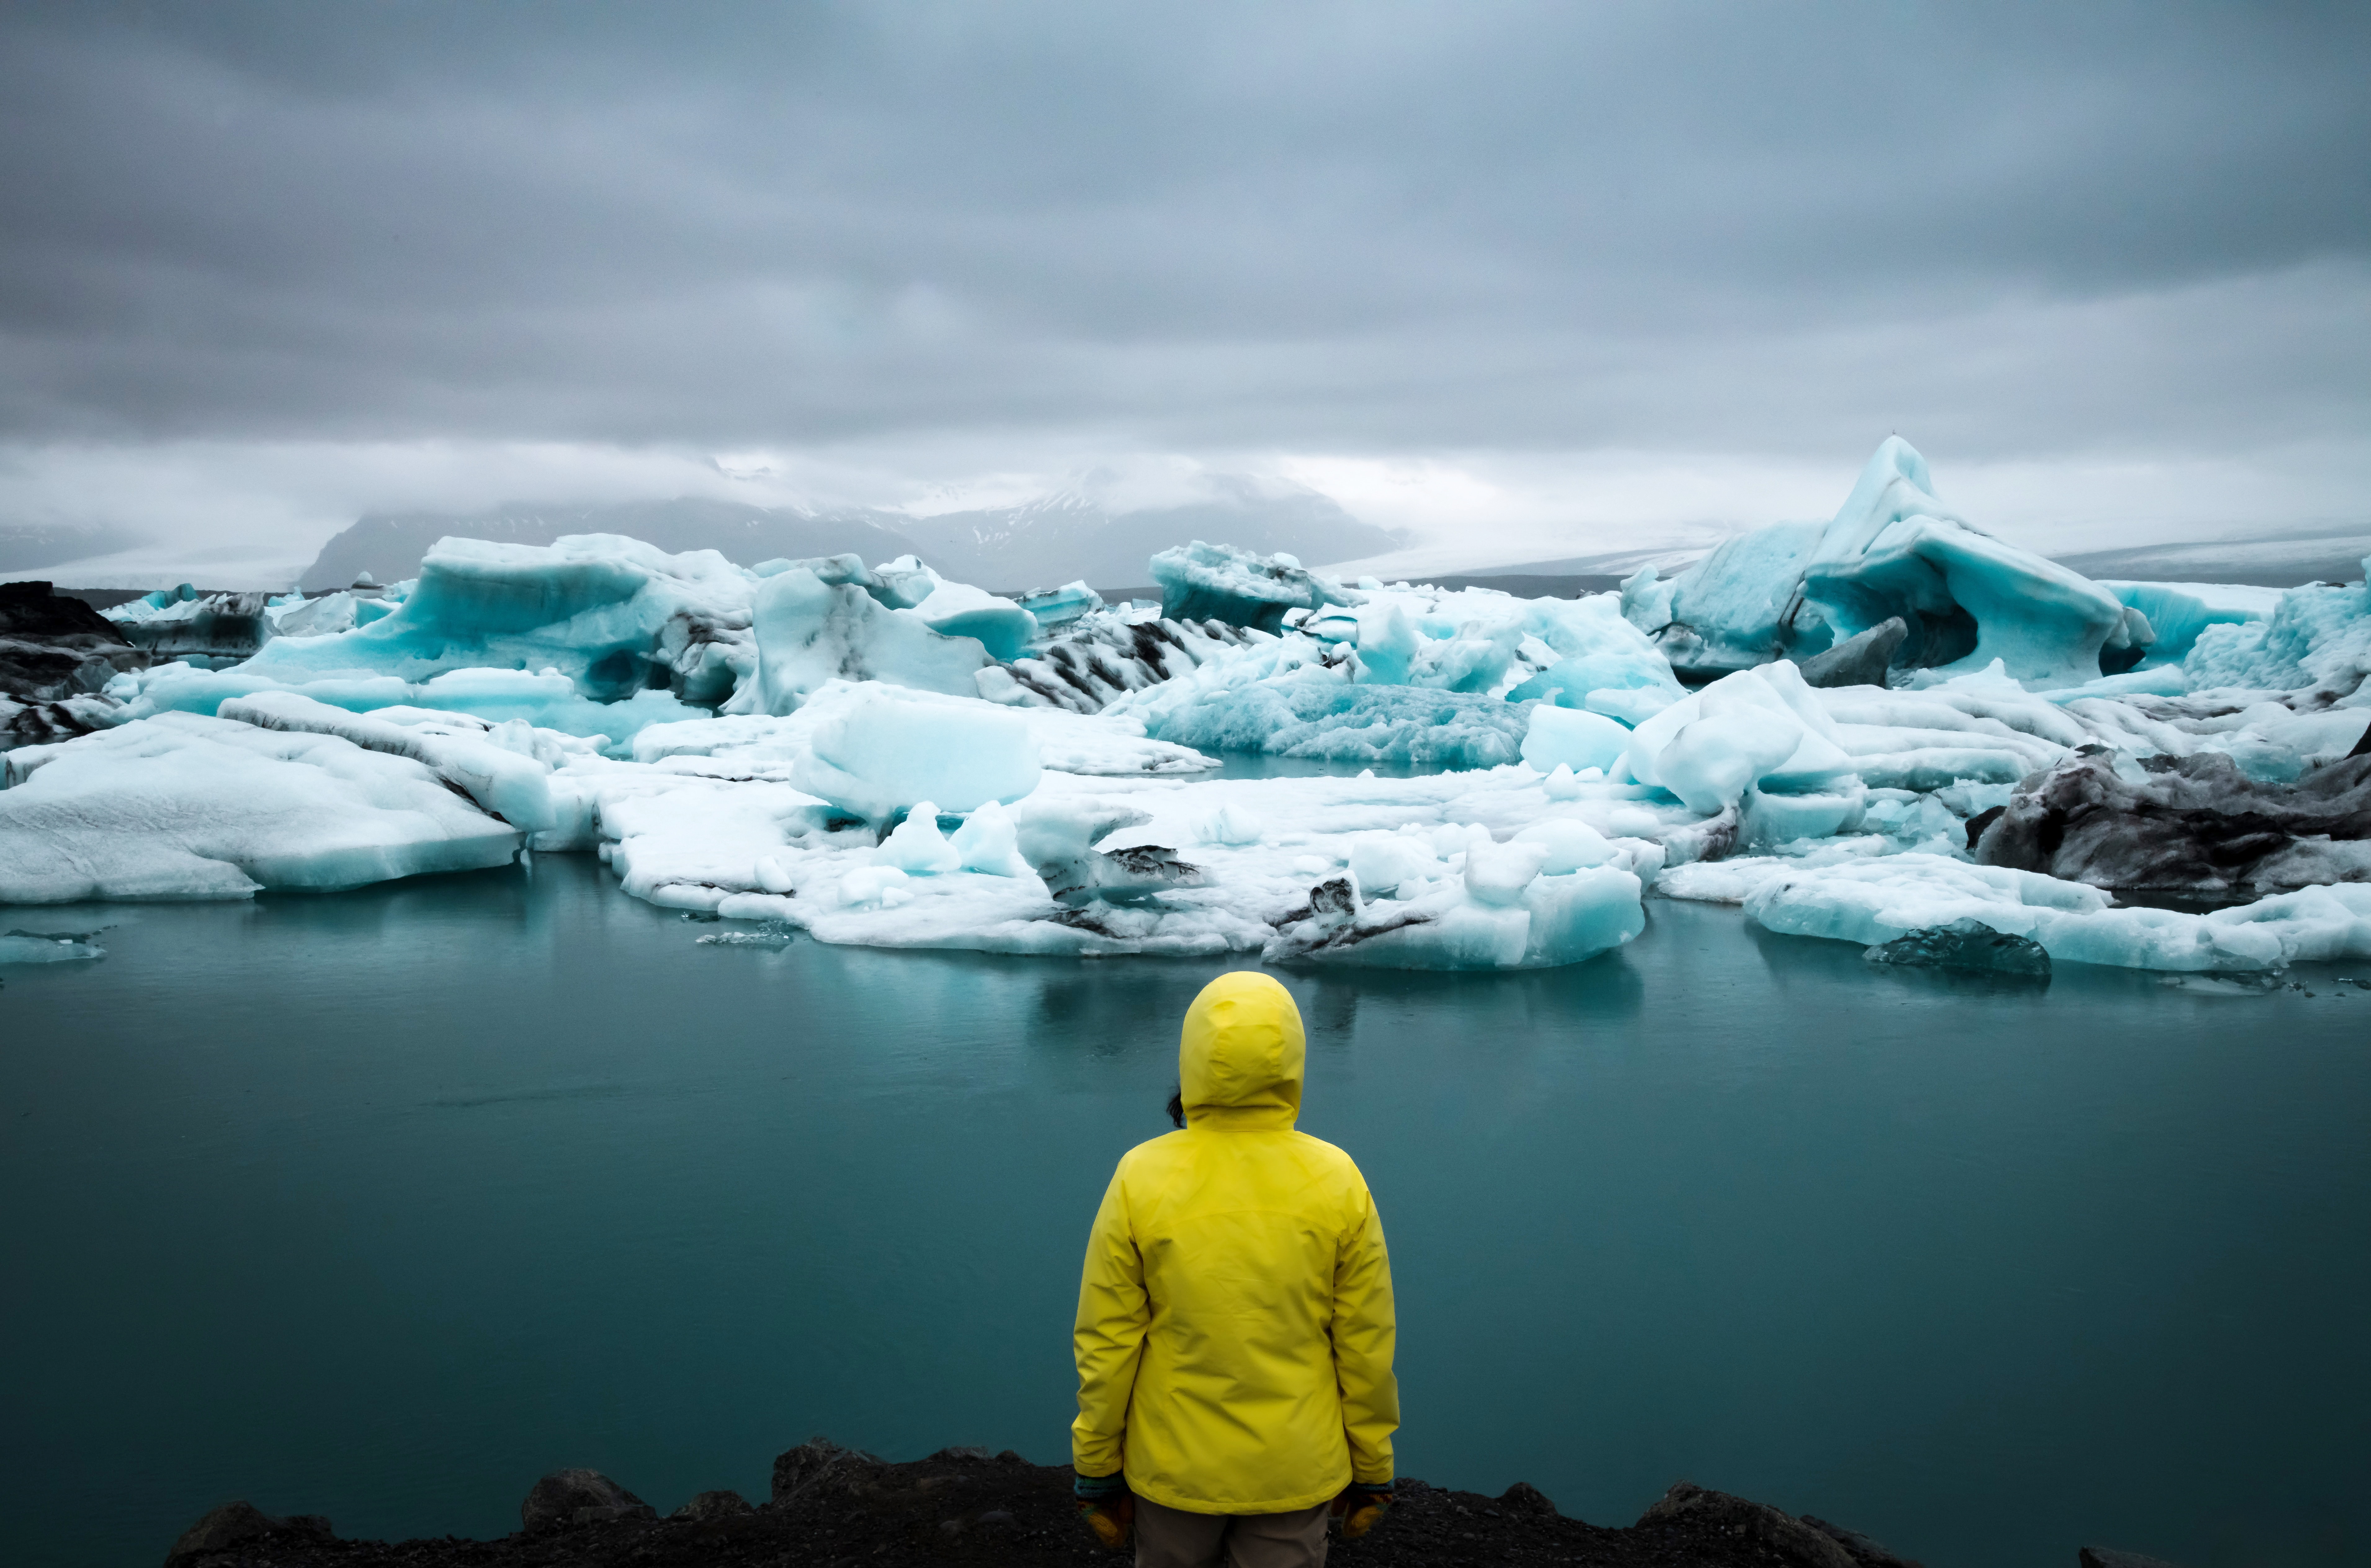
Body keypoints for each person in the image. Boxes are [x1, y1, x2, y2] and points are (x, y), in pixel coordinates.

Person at [1071, 971, 1399, 1566]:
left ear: (1192, 1056)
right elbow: (1365, 1344)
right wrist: (1372, 1465)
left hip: (1173, 1466)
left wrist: (1098, 1465)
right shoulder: (1336, 1176)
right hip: (1294, 1466)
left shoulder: (1141, 1175)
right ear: (1291, 1061)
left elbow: (1108, 1340)